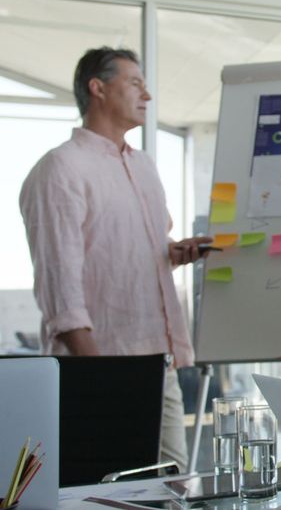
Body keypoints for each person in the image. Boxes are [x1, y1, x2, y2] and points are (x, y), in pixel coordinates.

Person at [19, 47, 212, 472]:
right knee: (108, 493)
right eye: (136, 83)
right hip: (103, 368)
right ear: (98, 88)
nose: (147, 95)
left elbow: (130, 253)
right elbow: (61, 291)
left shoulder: (144, 167)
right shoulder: (61, 169)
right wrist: (102, 380)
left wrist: (174, 254)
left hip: (157, 363)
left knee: (174, 488)